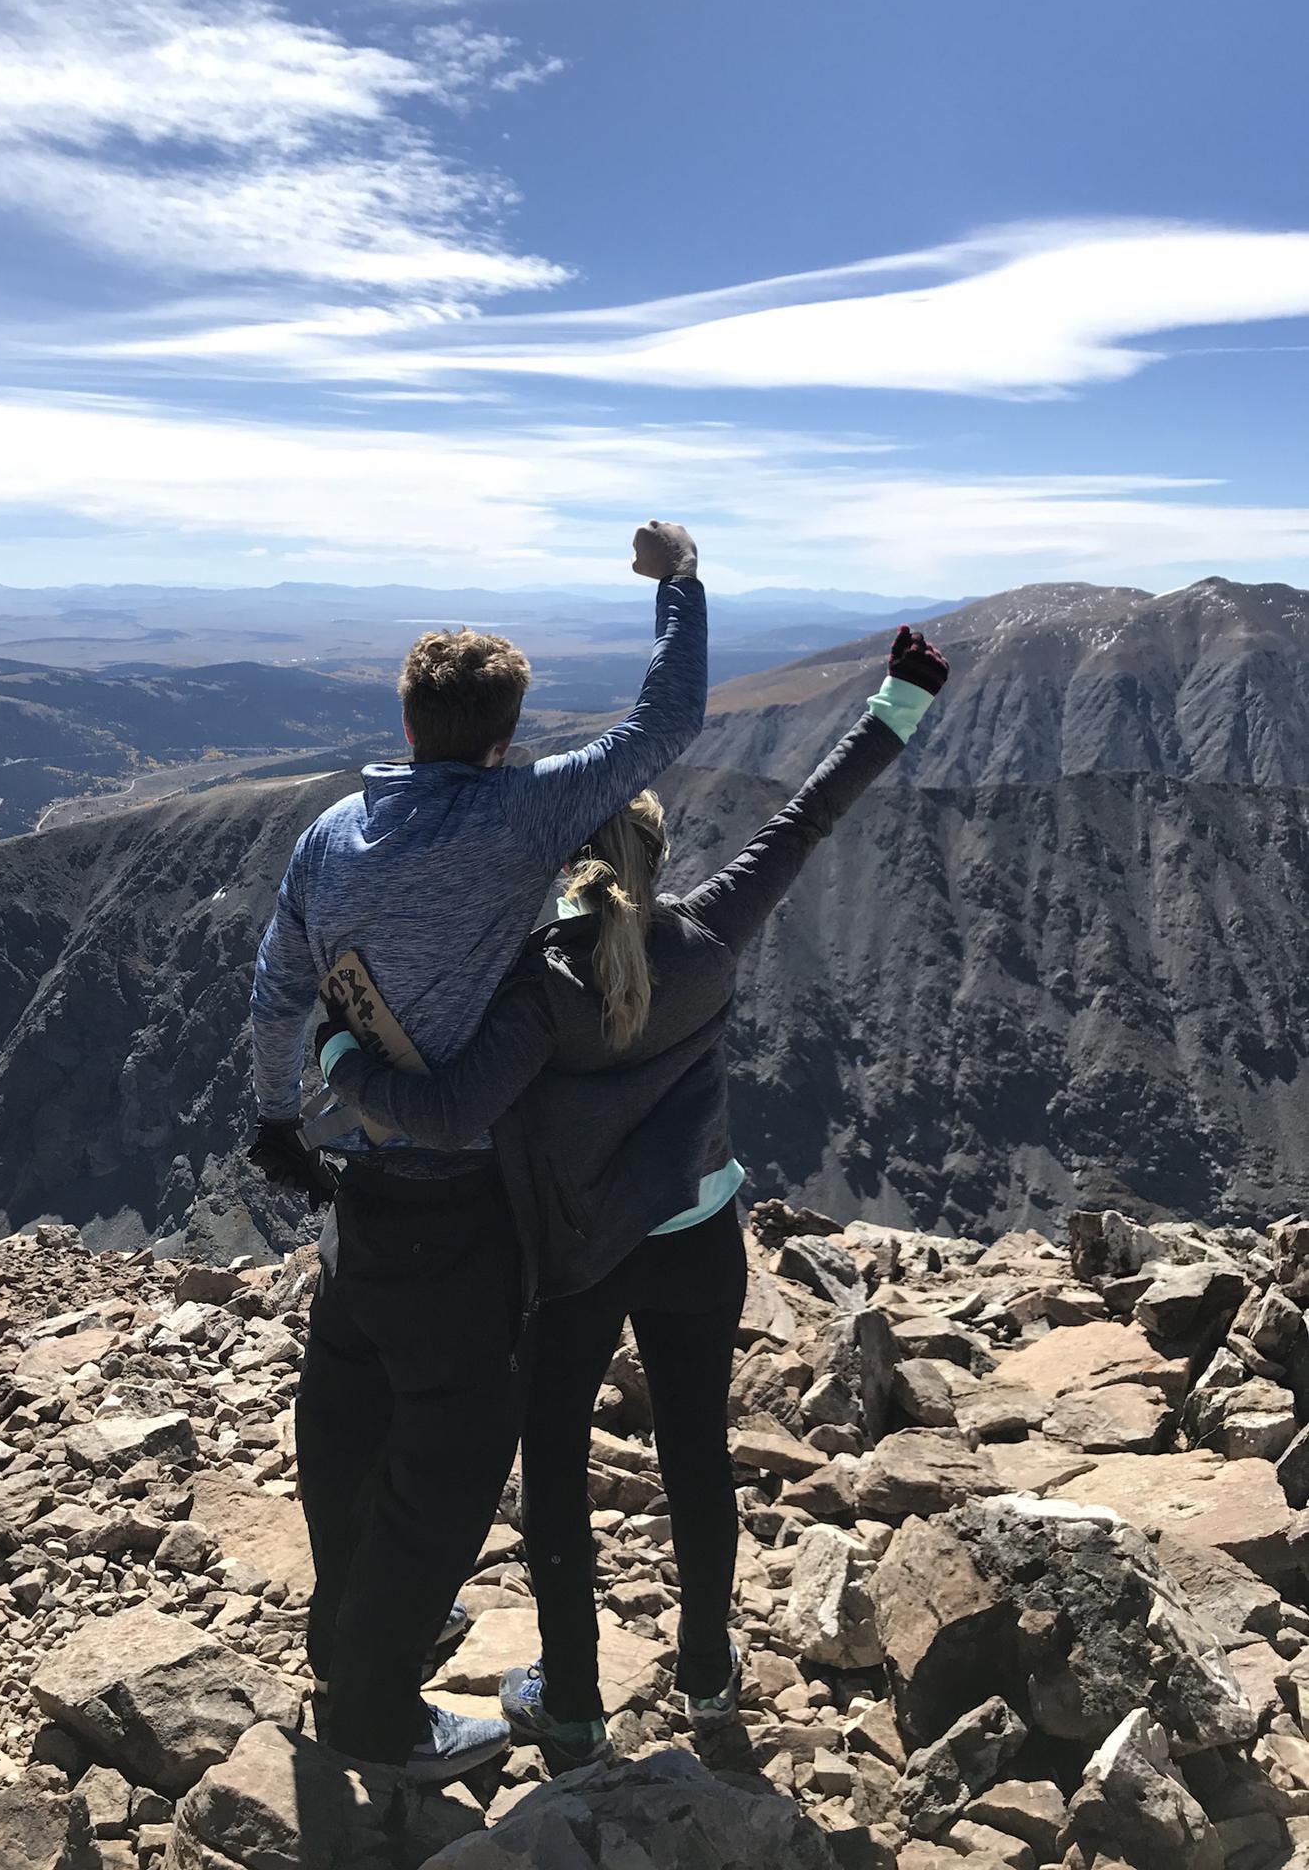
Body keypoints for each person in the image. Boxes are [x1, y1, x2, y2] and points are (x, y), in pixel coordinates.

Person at [313, 624, 950, 1773]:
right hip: (702, 1241)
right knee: (699, 1462)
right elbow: (813, 812)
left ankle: (573, 1704)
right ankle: (708, 1683)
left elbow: (450, 1095)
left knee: (555, 1472)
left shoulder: (540, 984)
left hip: (574, 1260)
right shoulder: (710, 931)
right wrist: (902, 699)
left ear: (571, 866)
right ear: (657, 859)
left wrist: (336, 1064)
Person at [247, 521, 708, 1783]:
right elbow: (664, 728)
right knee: (447, 1463)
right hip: (458, 1209)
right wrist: (678, 582)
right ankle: (380, 1721)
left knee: (344, 1419)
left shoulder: (331, 833)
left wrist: (280, 1109)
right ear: (504, 736)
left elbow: (279, 983)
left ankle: (351, 1636)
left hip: (354, 1202)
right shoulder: (522, 815)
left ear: (407, 725)